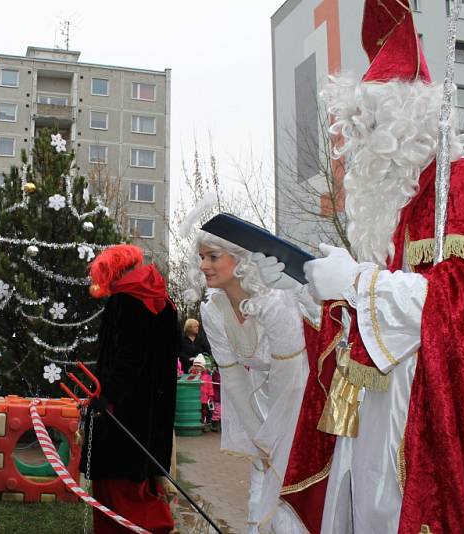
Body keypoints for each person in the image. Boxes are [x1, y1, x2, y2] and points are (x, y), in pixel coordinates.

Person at [274, 2, 464, 532]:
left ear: (407, 120)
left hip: (424, 428)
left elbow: (462, 310)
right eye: (353, 129)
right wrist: (330, 306)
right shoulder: (389, 212)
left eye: (368, 125)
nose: (356, 146)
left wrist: (359, 286)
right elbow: (379, 318)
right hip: (367, 427)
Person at [190, 222, 308, 534]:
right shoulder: (213, 311)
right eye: (202, 257)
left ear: (241, 259)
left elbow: (291, 376)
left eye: (213, 257)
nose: (204, 265)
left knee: (293, 493)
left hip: (303, 399)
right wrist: (260, 439)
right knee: (260, 488)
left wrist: (276, 441)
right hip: (261, 400)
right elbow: (232, 380)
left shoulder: (275, 301)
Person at [80, 244, 179, 534]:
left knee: (118, 495)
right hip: (151, 416)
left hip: (121, 416)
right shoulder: (162, 300)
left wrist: (105, 397)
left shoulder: (124, 301)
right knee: (141, 486)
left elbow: (125, 360)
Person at [185, 354, 215, 431]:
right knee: (195, 412)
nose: (196, 367)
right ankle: (195, 424)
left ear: (203, 367)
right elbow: (188, 382)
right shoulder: (191, 375)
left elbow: (210, 387)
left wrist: (211, 396)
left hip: (204, 398)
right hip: (194, 398)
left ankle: (203, 425)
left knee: (203, 412)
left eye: (198, 366)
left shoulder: (208, 377)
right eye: (195, 366)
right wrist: (193, 374)